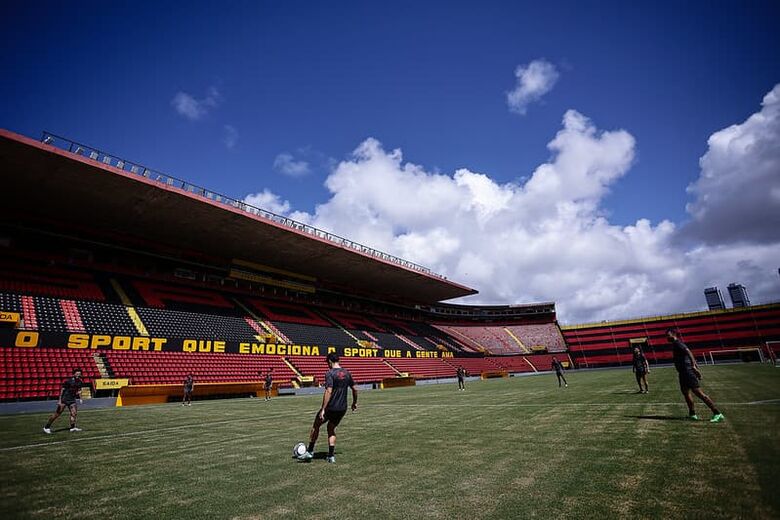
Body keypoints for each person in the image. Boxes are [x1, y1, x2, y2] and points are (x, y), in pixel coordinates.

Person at [299, 353, 357, 463]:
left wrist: (323, 409)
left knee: (316, 425)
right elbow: (355, 389)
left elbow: (328, 391)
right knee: (331, 428)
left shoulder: (330, 373)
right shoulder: (347, 373)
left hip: (331, 407)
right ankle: (331, 456)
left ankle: (310, 452)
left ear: (330, 361)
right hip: (342, 408)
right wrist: (354, 403)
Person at [666, 328, 724, 422]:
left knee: (699, 394)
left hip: (687, 372)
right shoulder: (675, 344)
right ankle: (692, 414)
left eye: (668, 335)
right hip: (683, 373)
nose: (666, 337)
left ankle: (717, 413)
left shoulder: (678, 343)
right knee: (686, 393)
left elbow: (688, 352)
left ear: (673, 334)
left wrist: (693, 366)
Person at [43, 368, 84, 434]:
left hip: (72, 400)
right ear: (74, 374)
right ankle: (46, 427)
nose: (78, 375)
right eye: (77, 373)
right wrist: (59, 400)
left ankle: (72, 428)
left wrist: (81, 398)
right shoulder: (68, 381)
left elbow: (79, 390)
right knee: (57, 414)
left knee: (74, 414)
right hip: (64, 399)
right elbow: (62, 390)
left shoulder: (80, 382)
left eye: (79, 374)